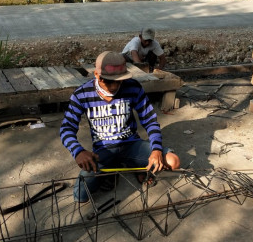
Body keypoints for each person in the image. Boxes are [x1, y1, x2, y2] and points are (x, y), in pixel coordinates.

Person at [60, 51, 180, 203]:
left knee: (173, 161)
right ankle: (120, 166)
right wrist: (78, 151)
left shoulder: (133, 87)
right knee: (80, 197)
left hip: (131, 145)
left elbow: (150, 121)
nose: (114, 86)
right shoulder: (82, 94)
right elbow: (66, 129)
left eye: (119, 81)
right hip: (103, 151)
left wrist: (156, 149)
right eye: (109, 81)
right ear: (97, 75)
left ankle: (131, 165)